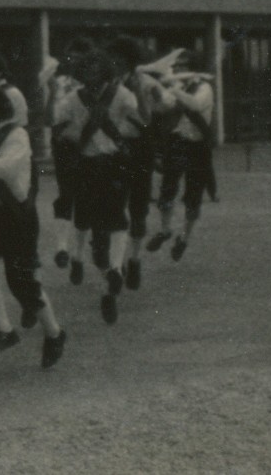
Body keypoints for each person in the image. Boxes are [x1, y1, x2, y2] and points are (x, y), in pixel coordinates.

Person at [0, 86, 67, 368]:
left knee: (22, 282)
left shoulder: (17, 135)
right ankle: (5, 331)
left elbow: (4, 169)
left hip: (15, 214)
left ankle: (55, 333)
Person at [52, 50, 141, 325]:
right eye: (86, 68)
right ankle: (111, 272)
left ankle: (111, 274)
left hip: (106, 164)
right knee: (103, 229)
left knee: (111, 220)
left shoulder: (118, 96)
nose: (90, 74)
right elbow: (57, 126)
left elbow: (140, 126)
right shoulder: (77, 99)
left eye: (95, 68)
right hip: (97, 165)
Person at [107, 36, 165, 291]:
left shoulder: (144, 82)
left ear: (129, 61)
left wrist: (144, 92)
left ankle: (135, 260)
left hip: (140, 147)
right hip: (118, 147)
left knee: (139, 207)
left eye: (119, 60)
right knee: (116, 204)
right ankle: (116, 265)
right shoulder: (110, 83)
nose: (114, 63)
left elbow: (149, 115)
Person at [147, 51, 216, 261]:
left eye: (182, 67)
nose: (177, 71)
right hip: (178, 142)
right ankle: (165, 229)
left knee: (193, 195)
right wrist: (157, 90)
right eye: (176, 67)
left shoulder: (205, 87)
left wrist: (174, 88)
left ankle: (184, 238)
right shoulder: (179, 87)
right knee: (167, 188)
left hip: (198, 145)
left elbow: (194, 105)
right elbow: (160, 108)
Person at [46, 38, 93, 285]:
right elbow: (49, 117)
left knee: (84, 201)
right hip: (64, 145)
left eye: (79, 57)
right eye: (71, 56)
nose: (73, 61)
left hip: (87, 145)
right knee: (66, 194)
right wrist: (51, 93)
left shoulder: (93, 85)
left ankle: (79, 256)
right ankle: (62, 249)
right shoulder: (61, 83)